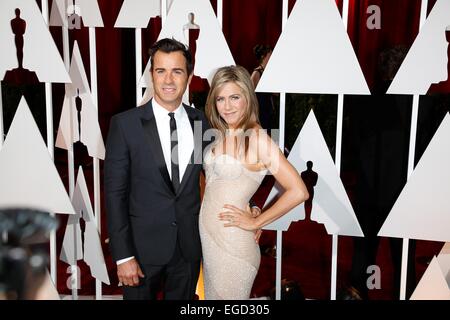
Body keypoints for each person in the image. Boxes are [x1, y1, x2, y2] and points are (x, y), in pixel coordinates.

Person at [104, 38, 260, 300]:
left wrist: (250, 207)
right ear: (151, 74)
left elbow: (225, 170)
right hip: (141, 251)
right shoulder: (124, 125)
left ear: (188, 76)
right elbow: (114, 194)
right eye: (160, 71)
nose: (168, 80)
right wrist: (123, 255)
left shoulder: (204, 122)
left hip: (190, 247)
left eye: (176, 71)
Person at [200, 65, 309, 299]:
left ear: (247, 98)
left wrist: (257, 221)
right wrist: (251, 206)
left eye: (234, 97)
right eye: (220, 99)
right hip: (211, 242)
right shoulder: (222, 132)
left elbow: (298, 191)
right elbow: (216, 185)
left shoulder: (257, 138)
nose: (226, 106)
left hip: (234, 245)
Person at [250, 45, 274, 131]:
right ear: (263, 56)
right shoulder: (256, 73)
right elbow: (248, 94)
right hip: (260, 111)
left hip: (269, 110)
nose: (272, 56)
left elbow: (276, 94)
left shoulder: (269, 73)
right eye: (270, 54)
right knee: (263, 135)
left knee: (273, 134)